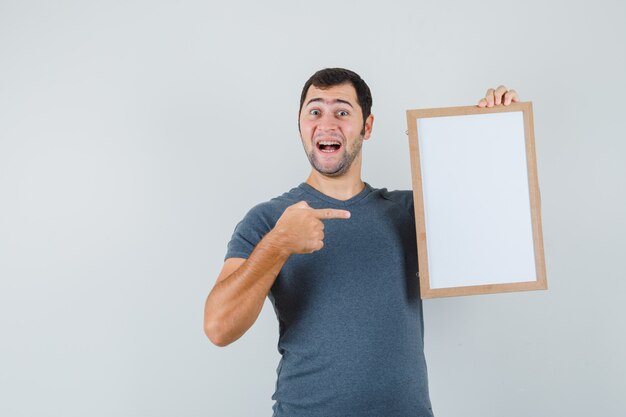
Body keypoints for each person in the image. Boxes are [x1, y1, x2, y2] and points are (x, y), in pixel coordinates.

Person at [203, 68, 520, 417]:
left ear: (367, 127)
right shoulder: (269, 219)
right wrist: (278, 244)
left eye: (342, 111)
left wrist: (495, 128)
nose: (327, 123)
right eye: (314, 111)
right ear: (300, 125)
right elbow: (219, 327)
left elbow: (496, 218)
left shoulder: (409, 212)